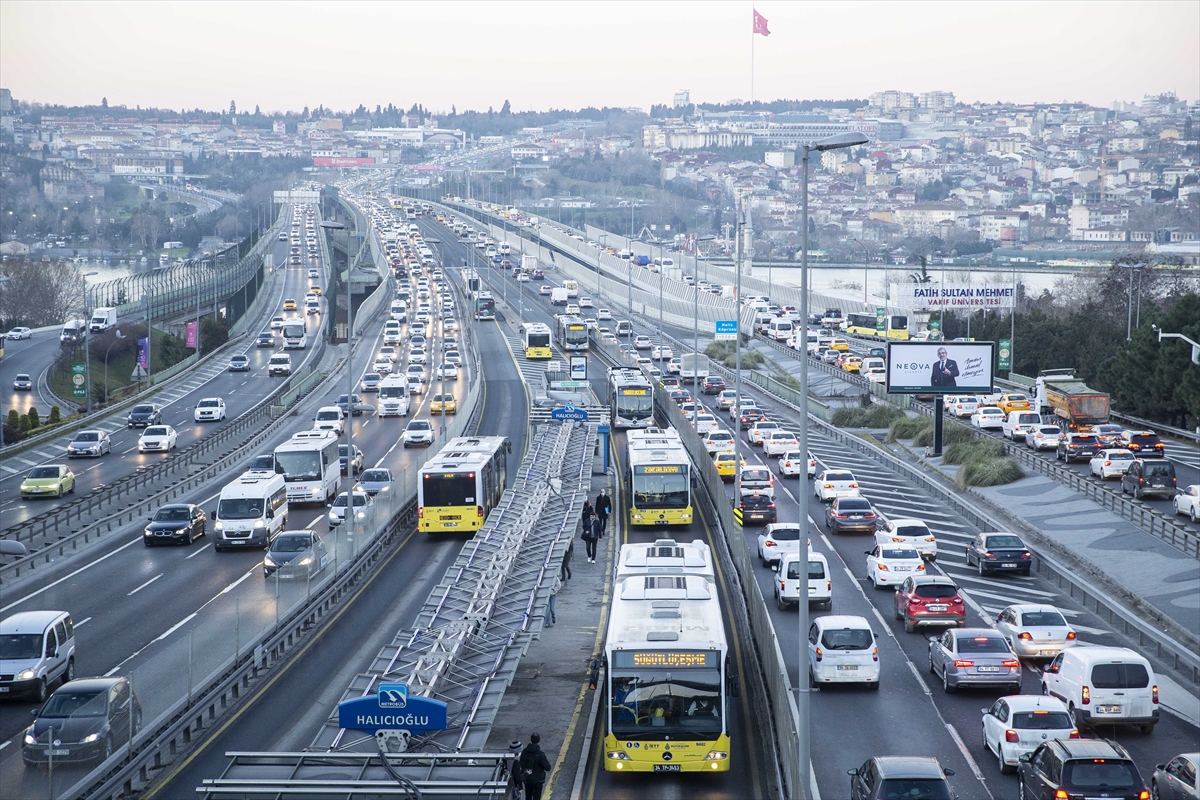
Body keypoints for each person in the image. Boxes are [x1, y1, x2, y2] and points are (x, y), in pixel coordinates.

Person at [518, 732, 552, 800]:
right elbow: (548, 768)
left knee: (528, 797)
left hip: (527, 778)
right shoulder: (540, 754)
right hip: (537, 781)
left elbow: (521, 763)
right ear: (539, 741)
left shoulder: (524, 751)